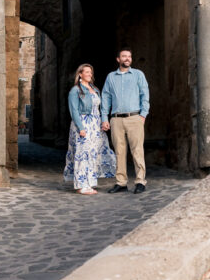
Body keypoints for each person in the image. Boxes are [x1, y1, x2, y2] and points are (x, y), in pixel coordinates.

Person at [100, 47, 150, 194]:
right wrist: (105, 118)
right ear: (118, 59)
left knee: (137, 150)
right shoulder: (110, 77)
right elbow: (105, 98)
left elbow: (144, 95)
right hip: (116, 120)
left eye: (129, 56)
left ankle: (140, 181)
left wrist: (143, 115)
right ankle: (121, 182)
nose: (127, 58)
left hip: (134, 117)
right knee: (119, 152)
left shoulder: (138, 75)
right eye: (124, 56)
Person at [63, 63, 116, 195]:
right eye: (86, 72)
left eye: (90, 72)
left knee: (93, 153)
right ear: (80, 74)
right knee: (82, 154)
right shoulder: (75, 90)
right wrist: (81, 127)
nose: (89, 74)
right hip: (83, 124)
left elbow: (99, 107)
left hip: (95, 125)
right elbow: (74, 111)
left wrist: (103, 121)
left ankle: (90, 182)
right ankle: (81, 185)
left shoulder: (94, 89)